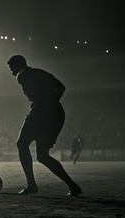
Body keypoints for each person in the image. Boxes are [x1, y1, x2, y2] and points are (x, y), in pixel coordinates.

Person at [7, 55, 82, 196]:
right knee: (42, 156)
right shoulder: (40, 72)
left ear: (18, 66)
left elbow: (37, 87)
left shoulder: (22, 75)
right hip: (56, 114)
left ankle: (31, 185)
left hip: (41, 112)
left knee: (22, 144)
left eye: (11, 68)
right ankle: (73, 186)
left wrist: (45, 104)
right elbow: (61, 87)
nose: (11, 73)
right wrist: (52, 102)